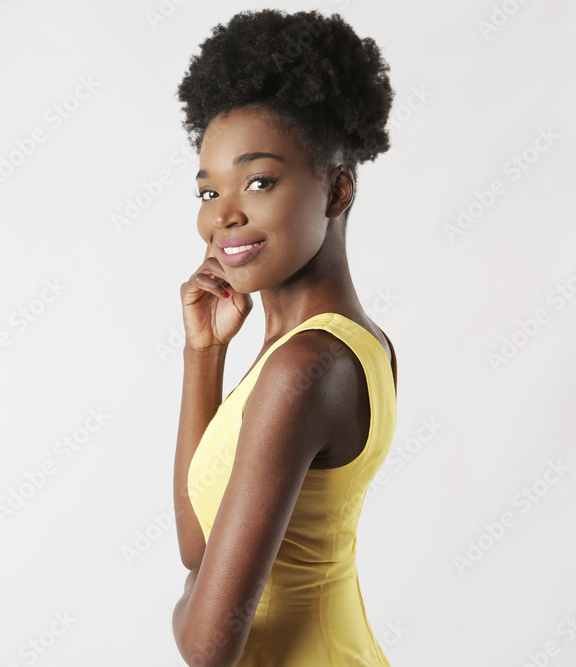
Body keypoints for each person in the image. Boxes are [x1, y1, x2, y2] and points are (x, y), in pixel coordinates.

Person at [170, 9, 399, 666]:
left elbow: (208, 644)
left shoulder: (305, 366)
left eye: (259, 181)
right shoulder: (340, 345)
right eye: (208, 191)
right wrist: (204, 354)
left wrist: (184, 602)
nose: (223, 215)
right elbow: (197, 544)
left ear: (337, 188)